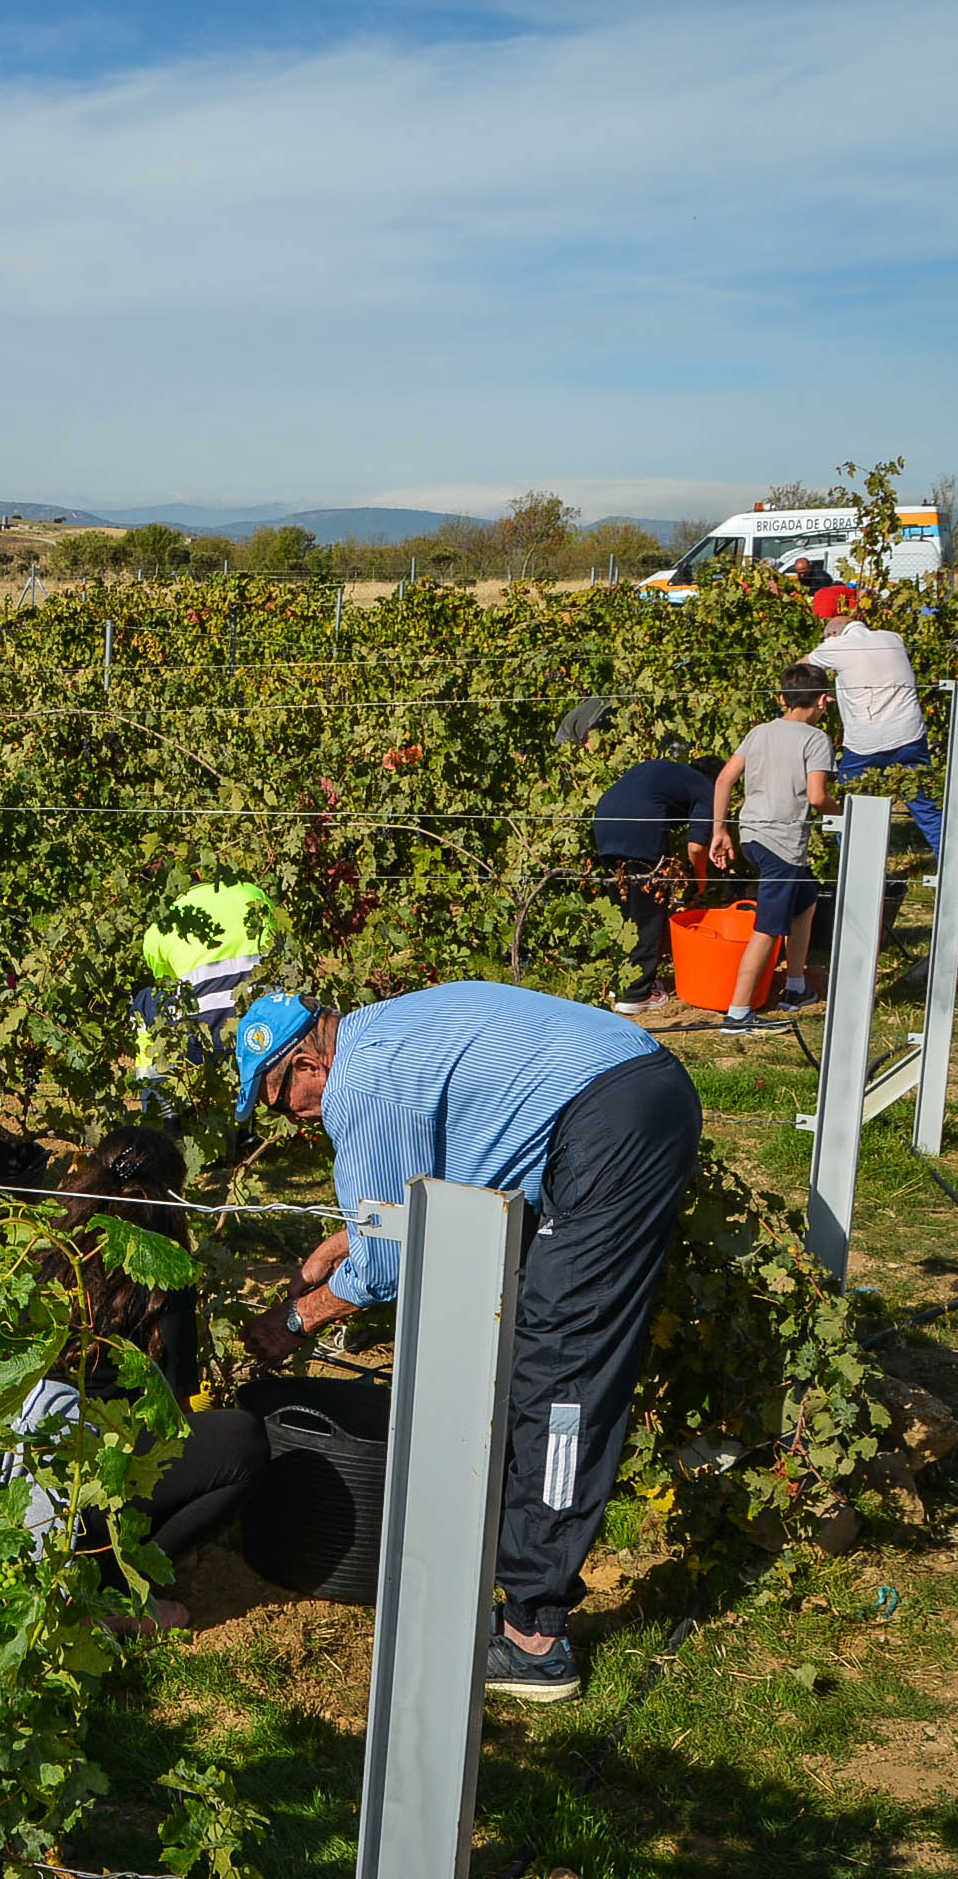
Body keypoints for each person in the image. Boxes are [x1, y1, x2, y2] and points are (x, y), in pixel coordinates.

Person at [229, 985, 702, 1703]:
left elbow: (388, 1261)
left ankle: (536, 1639)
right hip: (624, 1094)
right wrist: (337, 1249)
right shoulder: (381, 1039)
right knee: (541, 1343)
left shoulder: (361, 1086)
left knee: (561, 1367)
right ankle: (517, 1574)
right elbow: (417, 1198)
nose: (292, 1119)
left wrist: (295, 1321)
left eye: (280, 1099)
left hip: (612, 1124)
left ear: (307, 1063)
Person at [0, 1127, 269, 1633]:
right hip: (91, 1486)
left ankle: (78, 1568)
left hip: (21, 1475)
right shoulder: (164, 1273)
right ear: (169, 1198)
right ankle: (117, 1591)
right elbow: (173, 1412)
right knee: (243, 1442)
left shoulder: (50, 1244)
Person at [706, 662, 838, 1033]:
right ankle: (738, 1012)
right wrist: (844, 813)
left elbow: (724, 779)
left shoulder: (759, 732)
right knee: (767, 928)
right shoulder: (816, 740)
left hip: (751, 837)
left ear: (782, 699)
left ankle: (795, 987)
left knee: (806, 901)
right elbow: (816, 796)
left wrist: (720, 830)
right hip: (783, 843)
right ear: (823, 701)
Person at [802, 585, 958, 875]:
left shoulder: (835, 646)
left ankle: (859, 873)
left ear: (832, 632)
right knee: (927, 810)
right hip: (910, 735)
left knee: (849, 813)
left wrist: (821, 695)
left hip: (864, 744)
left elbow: (800, 672)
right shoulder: (892, 638)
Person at [588, 756, 725, 1013]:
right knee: (649, 914)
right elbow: (696, 846)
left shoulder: (667, 773)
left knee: (625, 913)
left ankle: (623, 982)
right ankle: (637, 995)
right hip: (641, 831)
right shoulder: (708, 788)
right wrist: (700, 878)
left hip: (604, 823)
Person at [132, 879, 277, 1109]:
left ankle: (160, 1102)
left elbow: (166, 985)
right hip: (268, 1023)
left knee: (143, 1005)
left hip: (210, 1030)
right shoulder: (250, 891)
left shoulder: (158, 927)